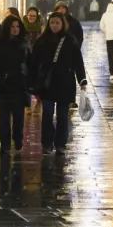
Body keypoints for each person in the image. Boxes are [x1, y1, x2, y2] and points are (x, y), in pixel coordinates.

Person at [29, 12, 88, 155]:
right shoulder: (42, 40)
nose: (54, 26)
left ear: (62, 24)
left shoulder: (70, 41)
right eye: (52, 23)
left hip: (65, 83)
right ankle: (47, 144)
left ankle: (61, 144)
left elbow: (77, 62)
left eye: (57, 23)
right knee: (47, 113)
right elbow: (33, 62)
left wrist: (82, 80)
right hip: (47, 84)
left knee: (62, 115)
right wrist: (32, 80)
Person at [0, 15, 32, 153]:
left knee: (18, 116)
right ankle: (4, 144)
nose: (15, 30)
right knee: (4, 116)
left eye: (17, 27)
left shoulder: (25, 42)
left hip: (20, 83)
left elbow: (31, 63)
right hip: (3, 83)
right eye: (12, 27)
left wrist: (32, 82)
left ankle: (18, 138)